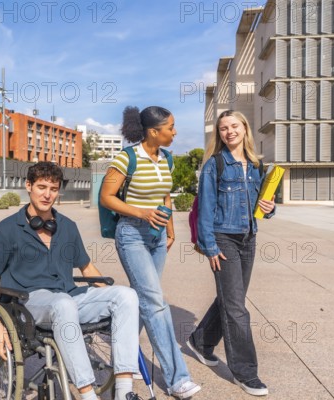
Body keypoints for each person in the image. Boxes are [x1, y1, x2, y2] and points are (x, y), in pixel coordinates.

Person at [0, 162, 143, 400]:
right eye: (41, 187)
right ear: (28, 186)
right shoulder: (6, 230)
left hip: (69, 298)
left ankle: (125, 392)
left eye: (53, 188)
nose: (47, 194)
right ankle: (87, 395)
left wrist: (113, 301)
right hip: (28, 304)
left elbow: (87, 268)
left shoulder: (67, 227)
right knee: (63, 302)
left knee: (127, 295)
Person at [100, 106, 201, 399]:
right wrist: (141, 213)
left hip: (157, 237)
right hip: (131, 234)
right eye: (171, 127)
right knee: (155, 302)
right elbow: (107, 198)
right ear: (154, 132)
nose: (175, 132)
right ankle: (177, 379)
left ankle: (122, 357)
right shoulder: (126, 158)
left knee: (144, 301)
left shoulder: (167, 158)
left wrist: (170, 229)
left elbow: (165, 195)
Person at [188, 110, 275, 397]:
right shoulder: (215, 165)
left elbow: (262, 205)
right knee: (237, 308)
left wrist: (269, 209)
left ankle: (200, 341)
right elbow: (205, 208)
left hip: (248, 238)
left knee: (230, 298)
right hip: (223, 238)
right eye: (223, 128)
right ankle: (246, 372)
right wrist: (209, 246)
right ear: (220, 134)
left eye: (234, 126)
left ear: (245, 129)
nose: (229, 132)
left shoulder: (255, 165)